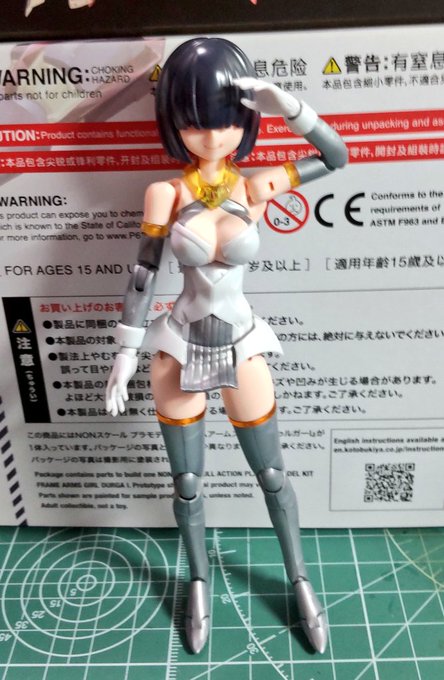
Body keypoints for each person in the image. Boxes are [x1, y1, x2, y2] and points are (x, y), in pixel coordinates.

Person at [106, 37, 347, 655]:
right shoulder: (166, 194)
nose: (213, 136)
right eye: (195, 123)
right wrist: (125, 354)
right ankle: (198, 580)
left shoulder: (258, 187)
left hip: (241, 342)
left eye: (225, 121)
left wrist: (289, 107)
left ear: (243, 121)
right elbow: (144, 274)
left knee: (273, 474)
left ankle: (299, 580)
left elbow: (336, 156)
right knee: (187, 483)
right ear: (174, 124)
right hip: (178, 346)